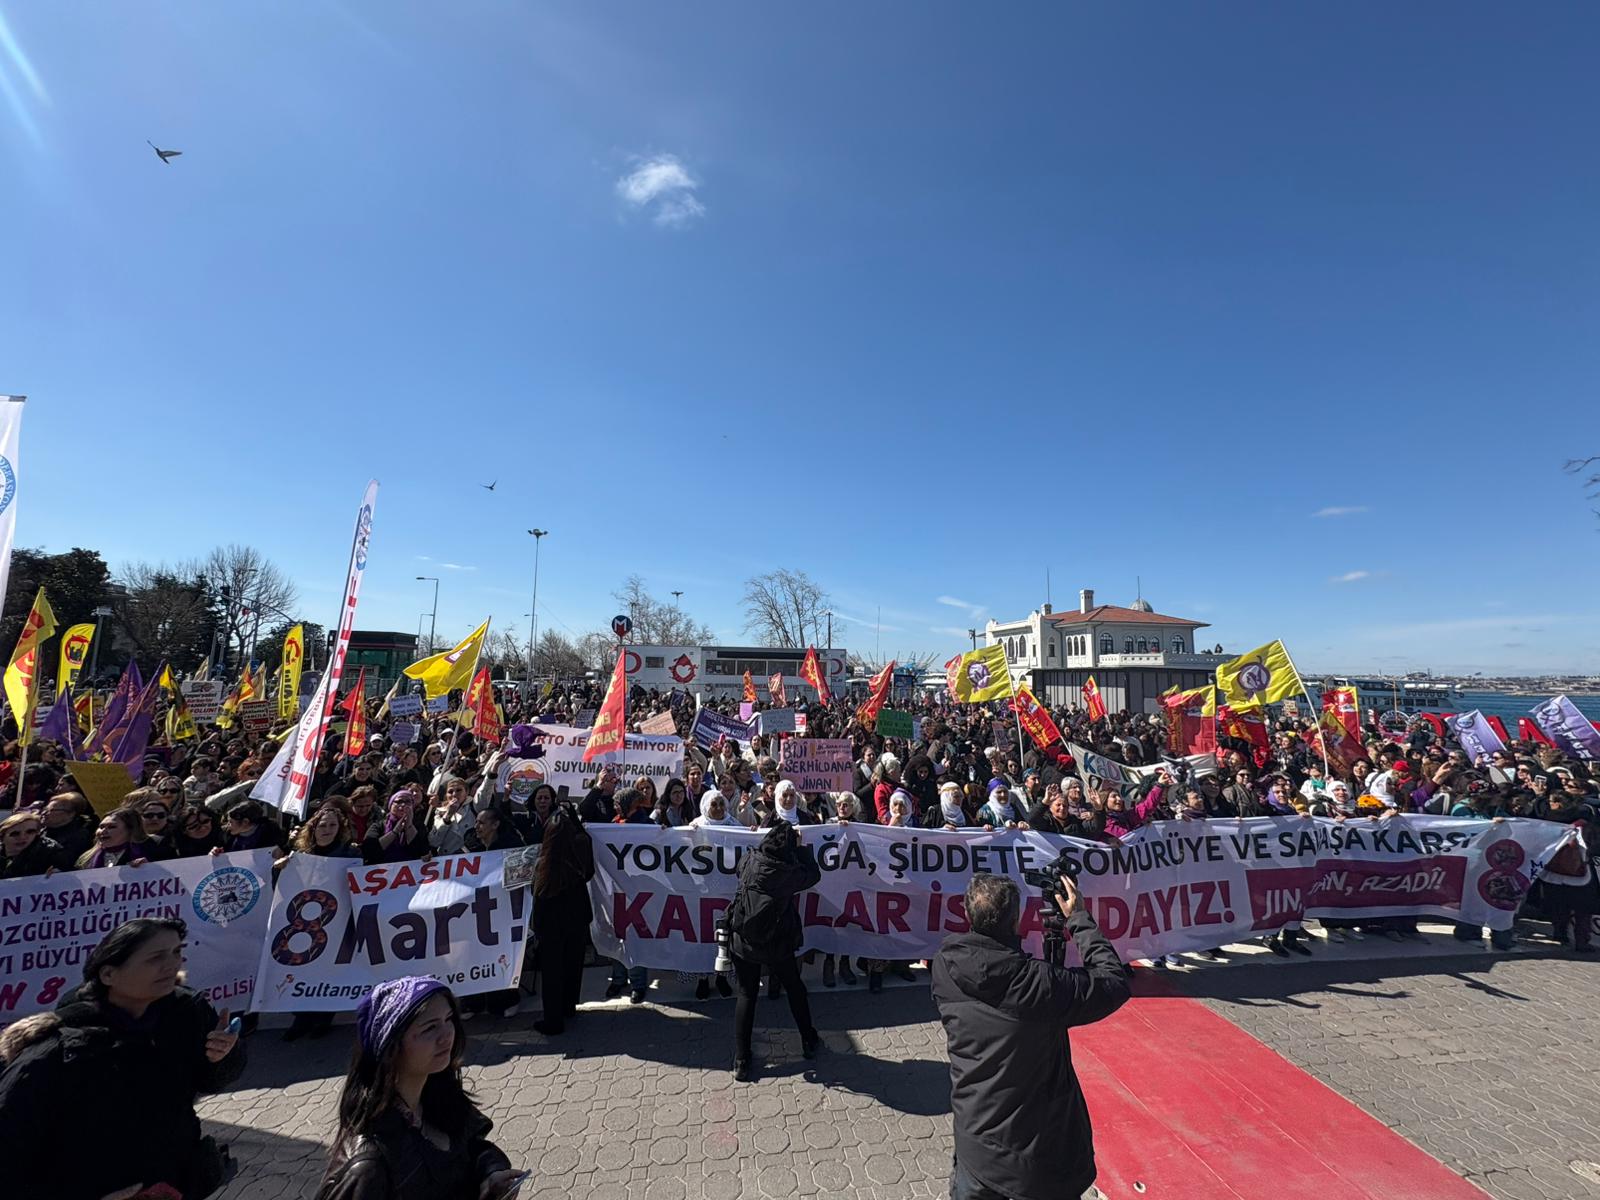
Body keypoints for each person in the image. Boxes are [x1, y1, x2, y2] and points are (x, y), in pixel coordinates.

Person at [0, 917, 246, 1199]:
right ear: (108, 975)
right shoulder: (55, 1052)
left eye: (177, 952)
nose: (172, 964)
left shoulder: (187, 1012)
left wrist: (223, 1057)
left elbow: (210, 1081)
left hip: (179, 1182)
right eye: (155, 957)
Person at [931, 872, 1129, 1200]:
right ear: (1018, 920)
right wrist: (1078, 917)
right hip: (1037, 1156)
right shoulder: (1039, 984)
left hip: (975, 1141)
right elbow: (1113, 982)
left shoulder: (944, 966)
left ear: (966, 914)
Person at [317, 976, 524, 1200]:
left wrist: (491, 1172)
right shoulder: (368, 1164)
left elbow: (471, 1147)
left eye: (449, 1019)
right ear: (391, 1045)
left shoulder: (437, 1093)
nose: (447, 1035)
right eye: (430, 1028)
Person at [724, 819, 823, 1082]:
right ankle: (808, 1040)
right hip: (776, 942)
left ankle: (742, 1060)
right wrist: (802, 849)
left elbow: (739, 872)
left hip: (742, 938)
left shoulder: (749, 860)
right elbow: (814, 875)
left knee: (747, 994)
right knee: (794, 987)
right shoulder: (787, 872)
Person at [531, 806, 595, 1036]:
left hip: (551, 924)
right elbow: (589, 871)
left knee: (552, 972)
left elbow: (537, 896)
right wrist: (575, 820)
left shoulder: (544, 864)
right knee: (572, 965)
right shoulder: (581, 850)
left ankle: (553, 1020)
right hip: (577, 917)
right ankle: (569, 1007)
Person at [0, 808, 71, 878]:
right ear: (2, 837)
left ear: (37, 833)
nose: (22, 837)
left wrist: (60, 876)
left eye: (30, 832)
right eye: (15, 833)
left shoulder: (50, 853)